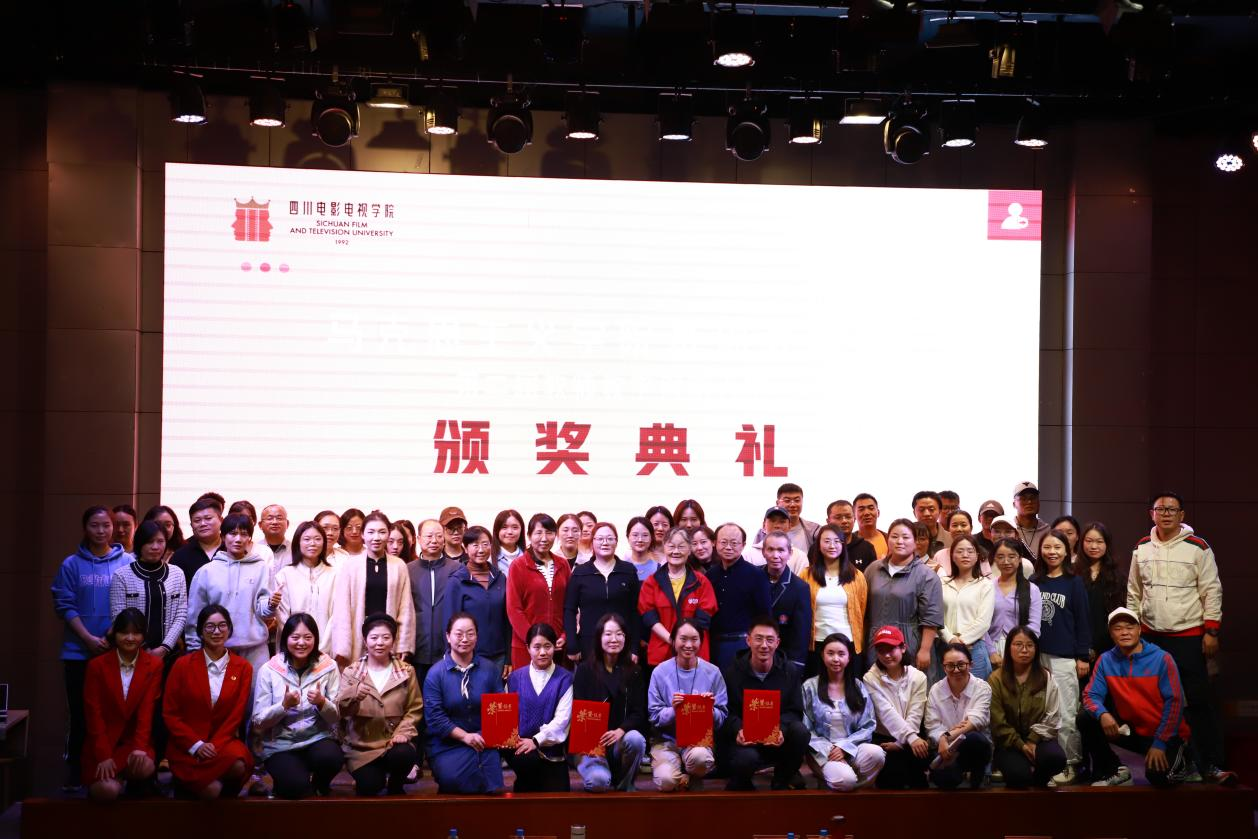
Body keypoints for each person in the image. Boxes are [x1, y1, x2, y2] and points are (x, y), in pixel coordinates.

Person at [1128, 492, 1226, 783]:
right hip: (1151, 638)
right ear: (1152, 514)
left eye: (1172, 509)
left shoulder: (1198, 547)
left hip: (1190, 636)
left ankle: (1211, 764)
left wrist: (1211, 631)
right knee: (1159, 703)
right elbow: (1134, 593)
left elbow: (1212, 590)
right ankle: (1177, 762)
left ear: (1182, 515)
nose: (1166, 514)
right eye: (1160, 509)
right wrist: (1133, 631)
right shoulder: (1141, 547)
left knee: (1197, 702)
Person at [1082, 608, 1192, 787]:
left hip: (1164, 734)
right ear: (1111, 634)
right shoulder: (1105, 660)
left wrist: (1160, 743)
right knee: (1086, 718)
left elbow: (1175, 703)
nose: (1124, 632)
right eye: (1117, 628)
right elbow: (1090, 695)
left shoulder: (1162, 659)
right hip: (1132, 730)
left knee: (1160, 778)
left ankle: (1188, 761)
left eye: (1129, 627)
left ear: (1139, 630)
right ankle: (1115, 770)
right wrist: (1102, 714)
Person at [163, 605, 253, 799]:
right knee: (211, 791)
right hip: (187, 744)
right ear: (200, 632)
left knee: (239, 765)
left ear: (229, 629)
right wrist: (196, 745)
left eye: (222, 625)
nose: (217, 631)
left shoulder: (243, 667)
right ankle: (185, 786)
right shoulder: (182, 665)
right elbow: (170, 713)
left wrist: (213, 746)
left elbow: (235, 716)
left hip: (222, 741)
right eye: (210, 626)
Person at [253, 613, 343, 798]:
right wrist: (283, 706)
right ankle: (290, 782)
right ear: (286, 638)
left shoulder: (329, 666)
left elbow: (336, 717)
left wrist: (322, 702)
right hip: (280, 745)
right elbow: (258, 721)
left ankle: (319, 785)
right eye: (295, 637)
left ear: (315, 639)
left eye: (308, 637)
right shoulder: (269, 670)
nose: (301, 643)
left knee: (332, 758)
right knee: (296, 789)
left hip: (317, 739)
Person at [80, 608, 162, 801]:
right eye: (124, 632)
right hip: (102, 743)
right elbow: (93, 714)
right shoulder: (97, 666)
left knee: (145, 765)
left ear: (143, 635)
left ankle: (128, 781)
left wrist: (140, 747)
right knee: (107, 791)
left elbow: (146, 711)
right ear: (115, 634)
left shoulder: (154, 665)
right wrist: (103, 755)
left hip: (132, 742)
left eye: (136, 633)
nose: (130, 638)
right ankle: (113, 782)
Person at [338, 613, 424, 796]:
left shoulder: (406, 672)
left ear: (393, 641)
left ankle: (396, 784)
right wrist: (353, 695)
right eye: (374, 637)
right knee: (370, 787)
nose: (380, 643)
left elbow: (414, 709)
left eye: (386, 637)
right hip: (361, 749)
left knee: (405, 754)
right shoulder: (351, 673)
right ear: (365, 640)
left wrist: (403, 733)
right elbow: (341, 712)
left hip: (393, 744)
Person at [720, 616, 810, 791]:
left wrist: (781, 729)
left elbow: (795, 711)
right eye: (758, 639)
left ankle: (782, 779)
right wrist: (738, 729)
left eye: (769, 640)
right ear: (748, 640)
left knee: (800, 732)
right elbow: (727, 712)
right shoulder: (732, 672)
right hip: (746, 740)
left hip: (777, 739)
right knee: (745, 760)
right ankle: (742, 784)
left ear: (777, 643)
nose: (764, 645)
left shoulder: (790, 671)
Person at [1032, 529, 1091, 784]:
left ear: (1067, 551)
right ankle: (1045, 762)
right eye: (1047, 547)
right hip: (1037, 658)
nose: (1052, 552)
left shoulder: (1074, 582)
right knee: (1041, 714)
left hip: (1065, 658)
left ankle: (1069, 762)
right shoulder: (1035, 581)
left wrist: (1082, 656)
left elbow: (1083, 621)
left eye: (1057, 547)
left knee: (1067, 713)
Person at [423, 613, 506, 794]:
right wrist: (465, 737)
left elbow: (500, 709)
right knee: (455, 780)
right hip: (447, 743)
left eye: (470, 633)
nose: (465, 639)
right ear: (448, 636)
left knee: (493, 787)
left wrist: (481, 736)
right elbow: (435, 718)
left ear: (477, 636)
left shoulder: (490, 669)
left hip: (484, 740)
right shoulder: (435, 674)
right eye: (459, 634)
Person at [185, 513, 275, 672]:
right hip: (217, 648)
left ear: (250, 539)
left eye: (244, 534)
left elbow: (264, 610)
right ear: (223, 537)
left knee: (258, 688)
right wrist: (194, 649)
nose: (238, 539)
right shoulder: (206, 571)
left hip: (255, 648)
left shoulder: (261, 568)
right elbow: (195, 614)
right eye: (232, 533)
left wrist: (271, 605)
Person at [647, 620, 729, 792]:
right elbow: (654, 717)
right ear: (673, 641)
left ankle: (692, 773)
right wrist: (673, 710)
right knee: (666, 781)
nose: (689, 645)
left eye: (694, 639)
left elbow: (722, 717)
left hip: (698, 742)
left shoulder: (713, 672)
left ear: (701, 641)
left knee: (700, 759)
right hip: (666, 742)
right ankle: (684, 778)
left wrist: (708, 709)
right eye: (683, 639)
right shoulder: (659, 672)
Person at [573, 613, 648, 792]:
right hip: (591, 745)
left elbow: (639, 713)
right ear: (599, 637)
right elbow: (578, 711)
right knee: (598, 782)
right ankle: (601, 775)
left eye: (619, 634)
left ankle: (625, 785)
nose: (614, 639)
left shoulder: (635, 671)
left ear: (625, 638)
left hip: (619, 742)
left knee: (636, 739)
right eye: (608, 634)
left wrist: (621, 730)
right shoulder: (584, 670)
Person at [330, 511, 416, 668]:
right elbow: (342, 610)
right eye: (371, 532)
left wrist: (404, 644)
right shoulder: (350, 566)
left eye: (382, 532)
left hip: (388, 638)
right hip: (358, 637)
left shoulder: (399, 566)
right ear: (363, 535)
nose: (376, 537)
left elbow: (406, 609)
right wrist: (342, 647)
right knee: (357, 680)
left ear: (388, 534)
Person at [803, 632, 885, 791]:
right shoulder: (809, 687)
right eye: (830, 653)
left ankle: (840, 784)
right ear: (822, 655)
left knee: (877, 754)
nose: (836, 659)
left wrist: (844, 748)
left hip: (851, 749)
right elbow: (806, 728)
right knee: (846, 779)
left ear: (849, 658)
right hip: (823, 753)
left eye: (841, 654)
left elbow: (868, 725)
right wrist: (831, 751)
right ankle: (846, 782)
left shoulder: (858, 686)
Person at [987, 626, 1067, 788]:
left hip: (1039, 738)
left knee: (1056, 759)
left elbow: (1052, 715)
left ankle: (1039, 781)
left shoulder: (1045, 676)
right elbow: (997, 722)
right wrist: (1021, 745)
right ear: (1008, 647)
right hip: (1009, 743)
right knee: (1018, 776)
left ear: (1036, 649)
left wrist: (1032, 740)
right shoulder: (996, 679)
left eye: (1030, 645)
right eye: (1018, 644)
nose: (1024, 650)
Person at [863, 519, 944, 674]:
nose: (900, 541)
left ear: (915, 542)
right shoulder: (873, 569)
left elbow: (931, 617)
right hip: (876, 641)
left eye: (906, 537)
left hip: (909, 642)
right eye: (894, 536)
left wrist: (925, 649)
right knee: (876, 684)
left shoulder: (926, 575)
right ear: (887, 540)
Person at [503, 623, 573, 792]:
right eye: (537, 647)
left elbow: (562, 721)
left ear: (555, 646)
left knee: (559, 794)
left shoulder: (565, 679)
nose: (542, 652)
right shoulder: (514, 679)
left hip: (552, 751)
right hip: (522, 750)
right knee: (528, 766)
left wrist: (536, 741)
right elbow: (507, 719)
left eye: (547, 646)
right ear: (528, 648)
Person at [639, 527, 719, 667]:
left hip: (695, 654)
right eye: (671, 546)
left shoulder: (701, 582)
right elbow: (649, 618)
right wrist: (672, 640)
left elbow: (703, 620)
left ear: (689, 549)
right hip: (661, 655)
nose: (676, 551)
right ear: (664, 547)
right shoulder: (651, 582)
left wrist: (684, 642)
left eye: (681, 546)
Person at [862, 626, 930, 789]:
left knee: (918, 783)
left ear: (903, 648)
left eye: (891, 649)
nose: (886, 655)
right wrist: (908, 739)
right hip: (884, 738)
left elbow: (915, 713)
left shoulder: (918, 677)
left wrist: (902, 742)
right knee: (892, 782)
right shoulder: (870, 678)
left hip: (912, 736)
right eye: (881, 650)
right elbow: (885, 712)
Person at [110, 520, 187, 659]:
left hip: (170, 653)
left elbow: (181, 615)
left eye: (160, 541)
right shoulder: (122, 575)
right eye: (150, 542)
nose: (155, 547)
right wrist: (144, 648)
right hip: (132, 652)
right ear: (140, 543)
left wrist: (164, 648)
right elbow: (118, 617)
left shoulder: (177, 573)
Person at [565, 522, 641, 662]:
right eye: (600, 539)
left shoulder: (628, 571)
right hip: (589, 644)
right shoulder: (580, 572)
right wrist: (572, 644)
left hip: (621, 644)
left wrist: (634, 647)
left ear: (616, 542)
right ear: (592, 542)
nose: (605, 543)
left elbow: (636, 611)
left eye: (610, 538)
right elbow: (570, 610)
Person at [506, 514, 572, 670]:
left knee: (558, 684)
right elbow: (514, 609)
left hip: (557, 645)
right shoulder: (518, 566)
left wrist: (565, 635)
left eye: (549, 533)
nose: (544, 538)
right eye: (538, 533)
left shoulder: (563, 564)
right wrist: (534, 641)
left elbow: (570, 605)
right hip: (526, 645)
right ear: (529, 536)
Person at [444, 526, 510, 677]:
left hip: (498, 656)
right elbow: (449, 624)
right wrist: (452, 658)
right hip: (467, 656)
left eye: (485, 544)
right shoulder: (457, 581)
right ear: (466, 548)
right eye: (475, 545)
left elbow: (507, 621)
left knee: (496, 693)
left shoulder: (500, 578)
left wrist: (509, 657)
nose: (481, 549)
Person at [925, 642, 992, 789]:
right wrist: (942, 739)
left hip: (973, 747)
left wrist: (946, 735)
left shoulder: (982, 687)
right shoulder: (935, 690)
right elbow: (932, 725)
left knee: (975, 738)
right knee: (945, 781)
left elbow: (975, 721)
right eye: (950, 666)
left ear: (970, 665)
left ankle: (978, 777)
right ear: (944, 667)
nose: (956, 670)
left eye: (961, 665)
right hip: (945, 748)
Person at [706, 523, 773, 669]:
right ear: (715, 543)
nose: (728, 547)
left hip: (743, 645)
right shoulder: (710, 575)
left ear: (743, 545)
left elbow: (764, 616)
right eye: (723, 542)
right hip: (713, 643)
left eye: (734, 543)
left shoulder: (757, 575)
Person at [804, 524, 867, 678]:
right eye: (827, 541)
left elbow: (862, 609)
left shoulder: (857, 576)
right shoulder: (806, 575)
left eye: (837, 541)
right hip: (817, 643)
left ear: (843, 545)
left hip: (848, 643)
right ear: (818, 545)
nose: (832, 546)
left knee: (849, 687)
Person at [274, 521, 338, 654]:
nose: (312, 543)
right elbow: (282, 617)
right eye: (307, 539)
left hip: (326, 649)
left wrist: (322, 648)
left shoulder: (334, 575)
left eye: (317, 539)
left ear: (324, 542)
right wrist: (297, 642)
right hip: (292, 648)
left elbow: (335, 617)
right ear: (298, 542)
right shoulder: (285, 575)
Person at [937, 535, 995, 682]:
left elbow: (983, 621)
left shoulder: (985, 585)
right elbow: (937, 617)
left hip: (974, 648)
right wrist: (950, 639)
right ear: (952, 556)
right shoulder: (942, 583)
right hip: (945, 647)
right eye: (960, 551)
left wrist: (960, 641)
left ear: (977, 556)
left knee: (976, 692)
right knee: (946, 692)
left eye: (970, 551)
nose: (965, 555)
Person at [408, 518, 460, 683]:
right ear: (418, 539)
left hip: (448, 648)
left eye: (438, 536)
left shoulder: (457, 569)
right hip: (417, 649)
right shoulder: (408, 569)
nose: (434, 540)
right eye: (429, 536)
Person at [985, 538, 1042, 672]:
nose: (1006, 561)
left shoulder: (1031, 589)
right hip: (990, 650)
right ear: (994, 559)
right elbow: (981, 624)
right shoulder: (987, 587)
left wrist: (1018, 650)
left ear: (1020, 558)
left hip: (1021, 650)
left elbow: (1034, 626)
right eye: (1000, 557)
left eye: (1011, 556)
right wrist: (991, 652)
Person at [760, 531, 812, 671]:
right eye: (770, 549)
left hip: (784, 659)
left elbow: (801, 633)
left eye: (781, 550)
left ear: (790, 553)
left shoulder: (800, 587)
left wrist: (795, 667)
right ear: (763, 552)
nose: (775, 555)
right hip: (754, 656)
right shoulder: (753, 577)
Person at [1076, 522, 1124, 663]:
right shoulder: (1072, 573)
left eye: (1099, 542)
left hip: (1109, 645)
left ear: (1107, 544)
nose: (1093, 546)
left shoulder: (1117, 576)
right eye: (1089, 541)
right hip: (1078, 644)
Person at [170, 497, 223, 593]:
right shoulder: (180, 556)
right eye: (197, 520)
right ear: (191, 525)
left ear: (221, 520)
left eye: (208, 518)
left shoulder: (232, 550)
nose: (203, 524)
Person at [753, 482, 819, 554]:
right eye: (787, 501)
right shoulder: (763, 532)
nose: (793, 505)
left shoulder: (814, 530)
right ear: (777, 503)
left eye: (797, 500)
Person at [745, 507, 809, 575]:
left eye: (782, 522)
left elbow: (802, 581)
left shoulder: (800, 557)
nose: (777, 526)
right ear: (763, 525)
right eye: (772, 521)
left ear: (789, 526)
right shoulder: (749, 556)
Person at [824, 500, 877, 572]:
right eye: (838, 517)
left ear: (854, 519)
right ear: (828, 521)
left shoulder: (867, 548)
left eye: (848, 517)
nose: (844, 521)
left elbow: (871, 577)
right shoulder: (819, 549)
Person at [931, 510, 986, 577]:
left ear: (971, 528)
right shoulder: (939, 556)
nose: (959, 529)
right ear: (948, 529)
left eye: (963, 525)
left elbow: (988, 580)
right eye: (955, 525)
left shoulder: (982, 554)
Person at [1011, 481, 1050, 556]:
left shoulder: (1047, 531)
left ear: (1039, 502)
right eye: (1023, 499)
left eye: (1033, 498)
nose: (1029, 502)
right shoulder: (1009, 529)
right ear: (1014, 504)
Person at [623, 516, 659, 581]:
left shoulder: (658, 569)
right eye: (635, 535)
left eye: (645, 535)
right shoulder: (620, 568)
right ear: (628, 537)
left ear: (651, 538)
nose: (640, 540)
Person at [491, 509, 526, 578]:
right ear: (497, 530)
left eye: (515, 527)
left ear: (521, 530)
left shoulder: (529, 558)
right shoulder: (488, 557)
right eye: (504, 527)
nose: (510, 532)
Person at [912, 491, 948, 556]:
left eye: (931, 509)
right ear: (914, 513)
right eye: (922, 510)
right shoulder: (905, 539)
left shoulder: (951, 539)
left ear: (939, 511)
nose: (927, 514)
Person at [853, 493, 888, 561]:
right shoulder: (849, 543)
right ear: (854, 515)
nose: (866, 513)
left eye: (871, 508)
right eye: (861, 509)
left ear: (878, 513)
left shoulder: (889, 539)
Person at [259, 504, 291, 574]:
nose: (274, 522)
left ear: (287, 524)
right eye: (269, 518)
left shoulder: (296, 550)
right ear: (260, 525)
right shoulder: (253, 551)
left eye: (279, 518)